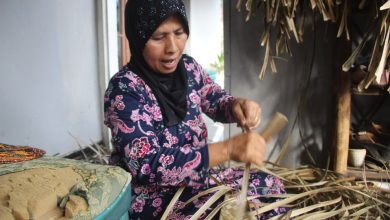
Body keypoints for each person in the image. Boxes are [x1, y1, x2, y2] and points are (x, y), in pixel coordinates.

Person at [104, 0, 288, 219]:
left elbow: (216, 101)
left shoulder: (189, 68)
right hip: (154, 198)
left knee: (270, 186)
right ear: (138, 37)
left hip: (198, 181)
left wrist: (236, 105)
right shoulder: (124, 89)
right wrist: (227, 150)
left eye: (179, 32)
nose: (172, 47)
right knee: (226, 211)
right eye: (158, 37)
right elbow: (147, 166)